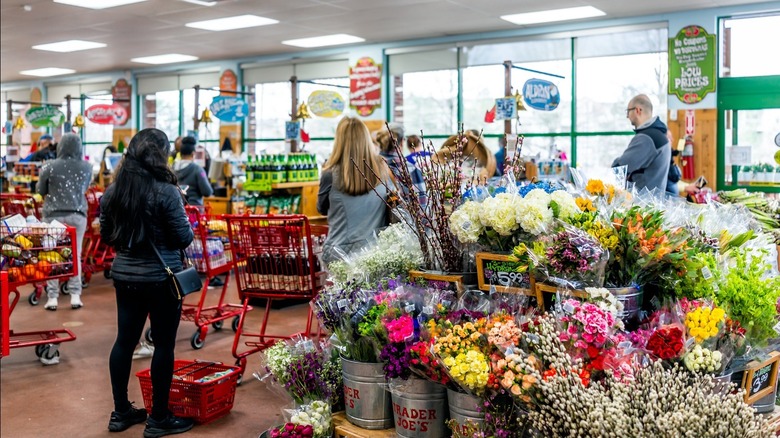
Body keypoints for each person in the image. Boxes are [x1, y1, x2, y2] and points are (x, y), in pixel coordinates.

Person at [100, 128, 195, 437]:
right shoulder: (166, 190)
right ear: (162, 154)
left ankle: (120, 412)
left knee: (124, 342)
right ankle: (159, 418)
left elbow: (106, 236)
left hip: (125, 277)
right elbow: (183, 237)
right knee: (163, 346)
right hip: (161, 279)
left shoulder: (114, 191)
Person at [317, 116, 390, 264]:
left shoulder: (330, 174)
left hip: (339, 254)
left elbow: (321, 209)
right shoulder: (382, 168)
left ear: (339, 141)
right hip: (377, 252)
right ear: (367, 139)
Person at [37, 133, 93, 312]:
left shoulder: (49, 166)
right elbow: (83, 188)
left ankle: (52, 297)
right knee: (75, 254)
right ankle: (75, 295)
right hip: (78, 215)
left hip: (53, 215)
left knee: (52, 253)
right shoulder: (87, 167)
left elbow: (41, 190)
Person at [612, 94, 671, 192]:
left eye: (628, 111)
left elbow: (621, 167)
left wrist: (615, 165)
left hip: (642, 203)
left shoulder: (646, 138)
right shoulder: (659, 134)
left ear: (637, 110)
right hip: (653, 200)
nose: (627, 116)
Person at [375, 123, 427, 208]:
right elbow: (422, 205)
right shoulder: (410, 169)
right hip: (400, 219)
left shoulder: (367, 166)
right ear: (402, 142)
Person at [173, 136, 213, 208]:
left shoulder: (172, 169)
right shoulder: (198, 169)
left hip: (177, 209)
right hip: (194, 211)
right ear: (193, 154)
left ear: (180, 153)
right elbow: (207, 192)